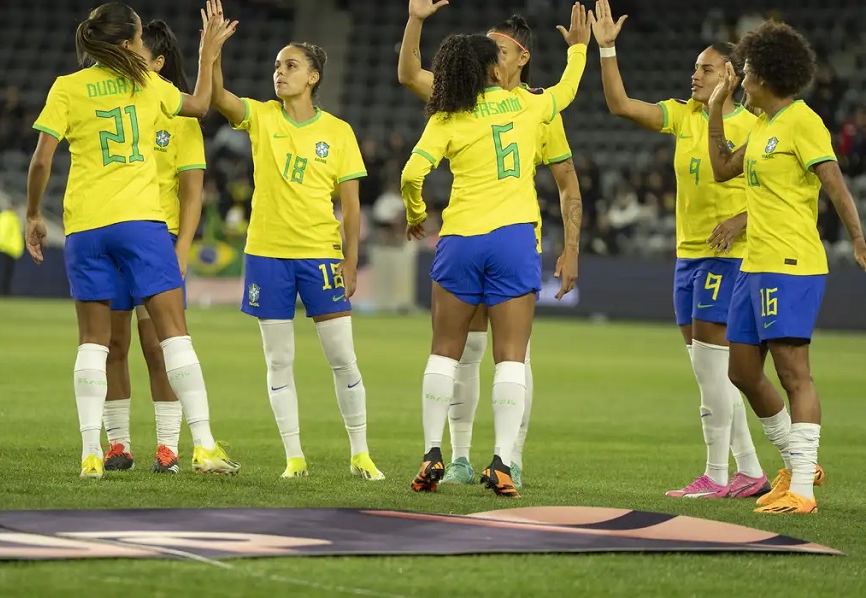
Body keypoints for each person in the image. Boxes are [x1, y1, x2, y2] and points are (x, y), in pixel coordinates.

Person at [25, 2, 239, 479]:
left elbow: (41, 160)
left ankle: (90, 452)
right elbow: (201, 105)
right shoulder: (149, 85)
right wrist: (207, 55)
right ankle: (202, 444)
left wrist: (35, 212)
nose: (145, 46)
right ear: (127, 44)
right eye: (140, 39)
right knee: (173, 335)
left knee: (93, 343)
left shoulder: (67, 87)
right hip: (142, 223)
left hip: (85, 226)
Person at [402, 4, 590, 498]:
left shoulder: (450, 110)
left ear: (517, 56)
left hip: (461, 236)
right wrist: (581, 48)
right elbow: (569, 91)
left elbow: (410, 174)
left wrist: (415, 212)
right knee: (512, 358)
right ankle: (503, 462)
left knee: (445, 352)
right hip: (513, 237)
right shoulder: (533, 107)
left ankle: (432, 453)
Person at [590, 0, 768, 499]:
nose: (695, 76)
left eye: (705, 69)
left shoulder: (754, 128)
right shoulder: (685, 115)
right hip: (687, 256)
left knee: (715, 369)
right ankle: (750, 470)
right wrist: (607, 49)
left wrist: (741, 218)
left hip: (727, 258)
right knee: (706, 370)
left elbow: (781, 196)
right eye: (694, 68)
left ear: (729, 75)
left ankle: (715, 476)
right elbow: (621, 105)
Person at [206, 0, 383, 480]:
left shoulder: (338, 133)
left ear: (314, 77)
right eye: (277, 66)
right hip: (267, 255)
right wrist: (212, 51)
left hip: (320, 256)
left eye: (291, 66)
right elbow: (218, 97)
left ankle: (360, 453)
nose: (279, 73)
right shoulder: (262, 117)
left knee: (343, 358)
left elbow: (350, 207)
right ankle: (294, 457)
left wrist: (350, 262)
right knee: (278, 359)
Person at [707, 20, 866, 513]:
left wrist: (859, 240)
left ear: (767, 76)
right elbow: (720, 169)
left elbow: (835, 185)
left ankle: (801, 489)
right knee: (742, 371)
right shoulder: (759, 127)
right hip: (754, 265)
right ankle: (798, 464)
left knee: (794, 372)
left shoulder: (803, 121)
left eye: (747, 71)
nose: (742, 79)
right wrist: (715, 111)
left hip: (791, 262)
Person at [101, 20, 208, 475]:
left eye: (140, 51)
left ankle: (168, 447)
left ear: (159, 62)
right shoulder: (115, 105)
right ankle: (117, 443)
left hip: (158, 240)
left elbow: (193, 193)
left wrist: (182, 247)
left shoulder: (180, 119)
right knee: (112, 343)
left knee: (158, 344)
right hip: (111, 231)